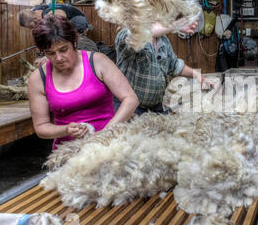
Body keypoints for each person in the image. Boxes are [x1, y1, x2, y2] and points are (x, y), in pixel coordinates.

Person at [27, 15, 139, 149]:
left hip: (109, 145)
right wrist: (66, 130)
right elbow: (41, 127)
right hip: (67, 151)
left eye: (63, 50)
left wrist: (104, 134)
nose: (58, 58)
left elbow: (130, 99)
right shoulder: (38, 79)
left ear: (74, 43)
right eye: (50, 53)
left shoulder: (98, 62)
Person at [114, 20, 214, 114]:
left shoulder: (163, 40)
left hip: (154, 108)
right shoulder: (129, 34)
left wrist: (198, 75)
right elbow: (137, 34)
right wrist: (176, 25)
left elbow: (174, 65)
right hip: (128, 109)